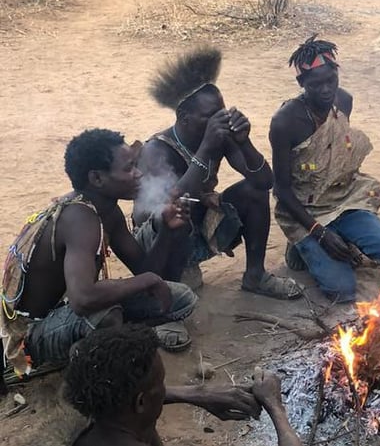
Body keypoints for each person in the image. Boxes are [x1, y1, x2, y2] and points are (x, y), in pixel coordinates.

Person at [0, 129, 198, 378]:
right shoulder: (79, 218)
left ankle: (94, 343)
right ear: (97, 178)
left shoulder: (109, 212)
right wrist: (146, 280)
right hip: (28, 334)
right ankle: (87, 363)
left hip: (62, 313)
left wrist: (167, 231)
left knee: (181, 298)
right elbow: (82, 299)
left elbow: (146, 270)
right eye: (129, 169)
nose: (138, 174)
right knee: (105, 314)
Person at [133, 46, 302, 301]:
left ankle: (255, 275)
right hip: (161, 235)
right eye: (209, 116)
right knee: (178, 218)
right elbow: (168, 207)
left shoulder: (218, 137)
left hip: (199, 221)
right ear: (184, 117)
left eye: (221, 113)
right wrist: (206, 149)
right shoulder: (157, 151)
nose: (219, 121)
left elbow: (265, 181)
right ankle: (167, 300)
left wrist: (244, 142)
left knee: (253, 192)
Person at [270, 36, 380, 303]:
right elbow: (281, 190)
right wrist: (319, 232)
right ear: (301, 84)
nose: (326, 90)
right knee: (342, 291)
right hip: (305, 210)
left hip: (342, 199)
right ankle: (300, 246)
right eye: (316, 84)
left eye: (331, 80)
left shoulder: (344, 102)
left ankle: (340, 235)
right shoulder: (285, 122)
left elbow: (334, 153)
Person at [64, 324, 302, 446]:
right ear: (141, 402)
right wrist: (275, 407)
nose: (166, 388)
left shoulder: (97, 426)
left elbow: (139, 402)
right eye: (161, 382)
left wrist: (199, 394)